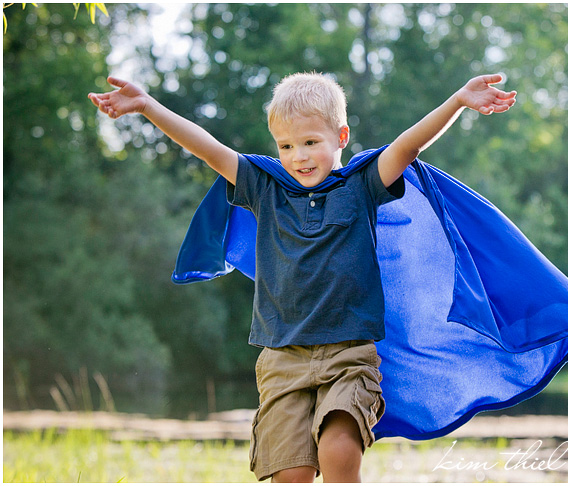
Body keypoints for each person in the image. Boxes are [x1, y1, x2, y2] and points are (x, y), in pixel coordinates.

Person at [89, 71, 516, 482]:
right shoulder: (265, 186)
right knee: (291, 473)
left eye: (311, 142)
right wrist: (148, 106)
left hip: (348, 355)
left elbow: (407, 147)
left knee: (339, 450)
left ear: (341, 138)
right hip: (282, 357)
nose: (299, 156)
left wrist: (458, 101)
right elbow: (207, 149)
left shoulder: (361, 186)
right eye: (287, 145)